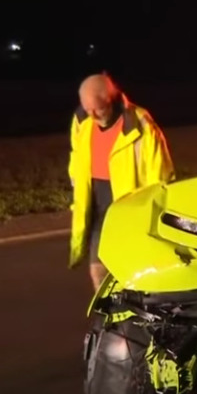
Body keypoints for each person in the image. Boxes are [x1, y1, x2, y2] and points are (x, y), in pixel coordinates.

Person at [67, 73, 175, 291]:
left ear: (112, 98)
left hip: (128, 210)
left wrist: (153, 215)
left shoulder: (140, 124)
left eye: (98, 108)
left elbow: (160, 176)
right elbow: (76, 159)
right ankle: (109, 320)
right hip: (96, 207)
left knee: (128, 275)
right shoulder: (82, 121)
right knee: (98, 272)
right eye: (87, 109)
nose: (92, 115)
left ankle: (132, 318)